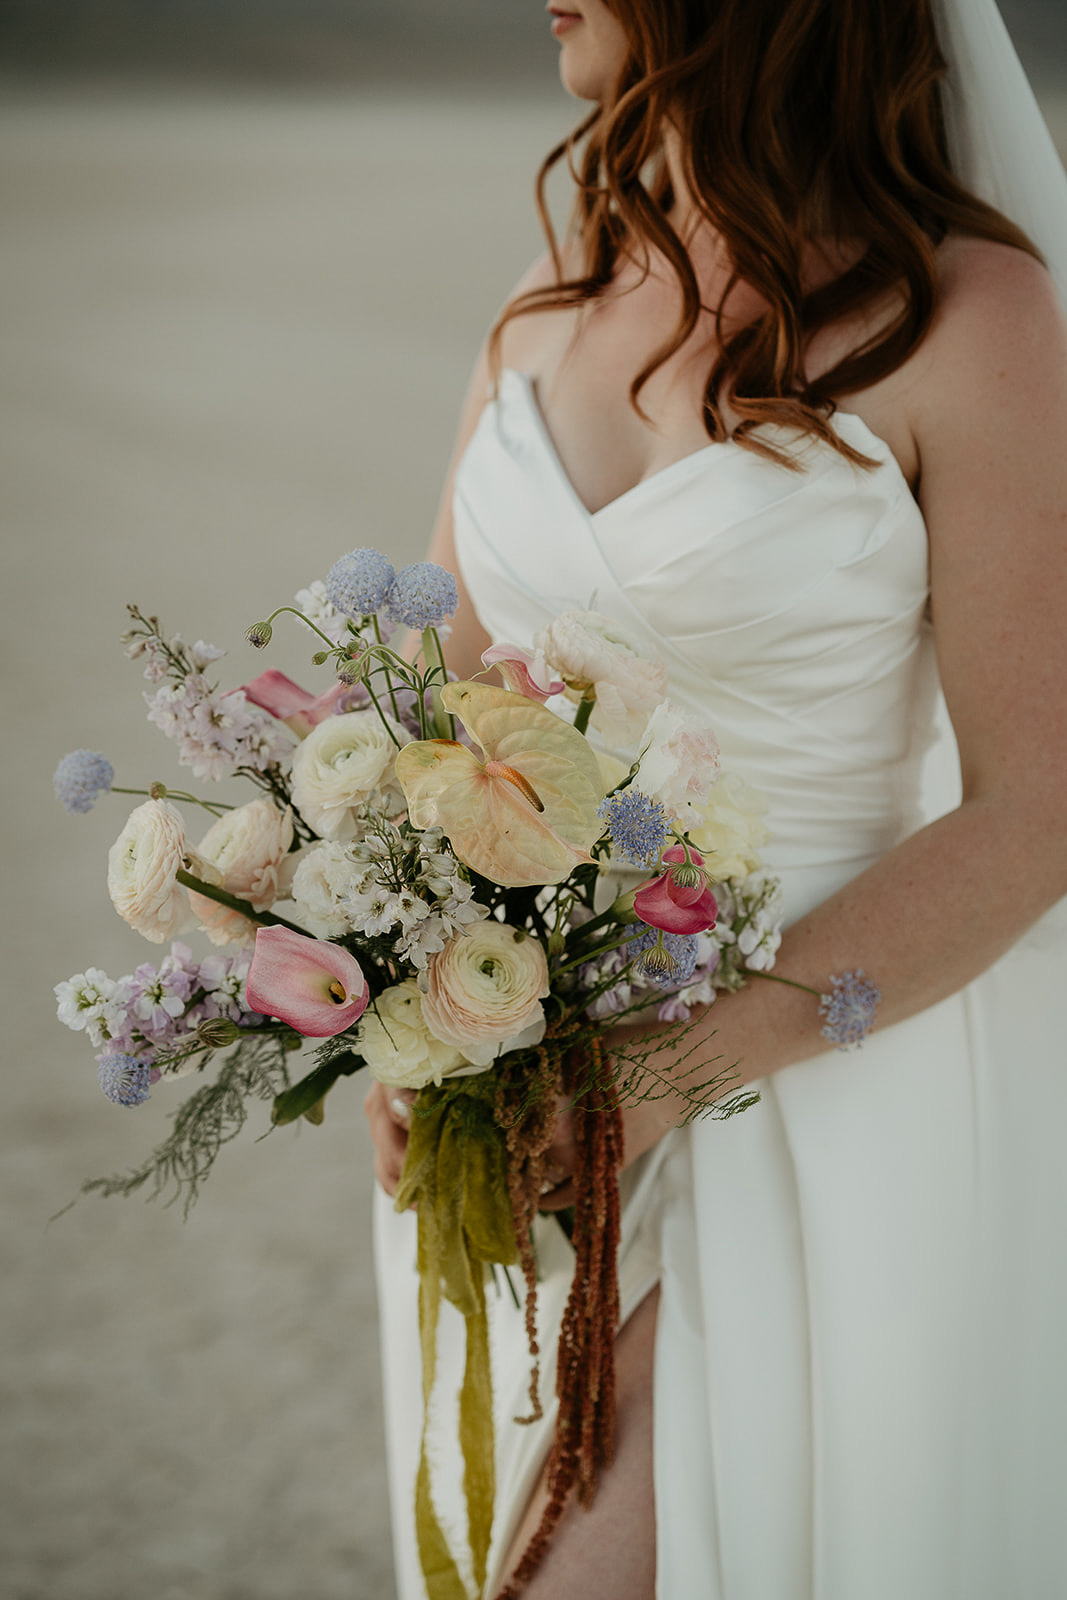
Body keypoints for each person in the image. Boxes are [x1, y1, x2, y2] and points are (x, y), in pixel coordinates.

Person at [365, 2, 1067, 1595]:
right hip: (535, 1102)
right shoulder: (539, 321)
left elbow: (1041, 807)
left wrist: (677, 1070)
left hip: (843, 1073)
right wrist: (397, 1016)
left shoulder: (967, 314)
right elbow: (443, 728)